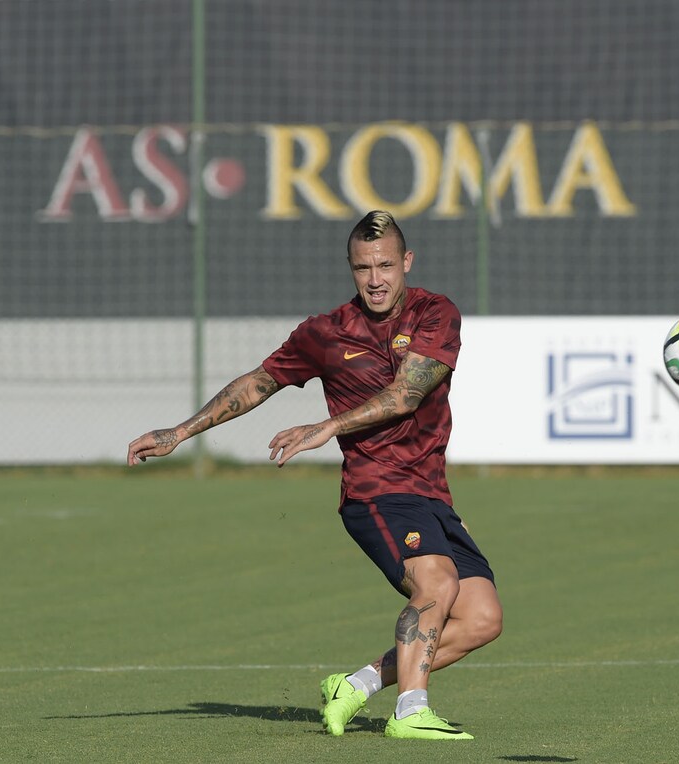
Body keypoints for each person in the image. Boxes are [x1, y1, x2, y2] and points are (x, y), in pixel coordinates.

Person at [127, 210, 502, 741]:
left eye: (385, 265)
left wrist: (330, 425)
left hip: (431, 495)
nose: (375, 279)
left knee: (483, 618)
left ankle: (356, 685)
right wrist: (180, 432)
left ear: (407, 262)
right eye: (363, 267)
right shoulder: (324, 333)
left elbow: (408, 394)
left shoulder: (435, 313)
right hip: (376, 492)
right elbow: (257, 382)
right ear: (351, 268)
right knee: (435, 583)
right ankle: (410, 711)